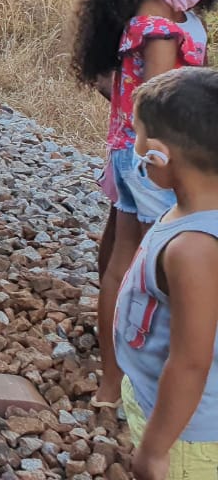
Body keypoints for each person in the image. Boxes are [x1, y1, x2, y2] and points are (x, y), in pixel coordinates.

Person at [68, 0, 215, 407]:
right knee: (131, 263)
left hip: (131, 154)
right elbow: (164, 106)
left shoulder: (144, 21)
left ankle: (113, 373)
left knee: (119, 253)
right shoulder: (159, 32)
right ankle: (117, 381)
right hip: (155, 160)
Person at [113, 68, 218, 480]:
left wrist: (156, 450)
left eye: (136, 135)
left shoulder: (194, 248)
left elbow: (191, 361)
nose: (133, 146)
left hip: (185, 438)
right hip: (166, 409)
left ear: (158, 153)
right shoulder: (192, 213)